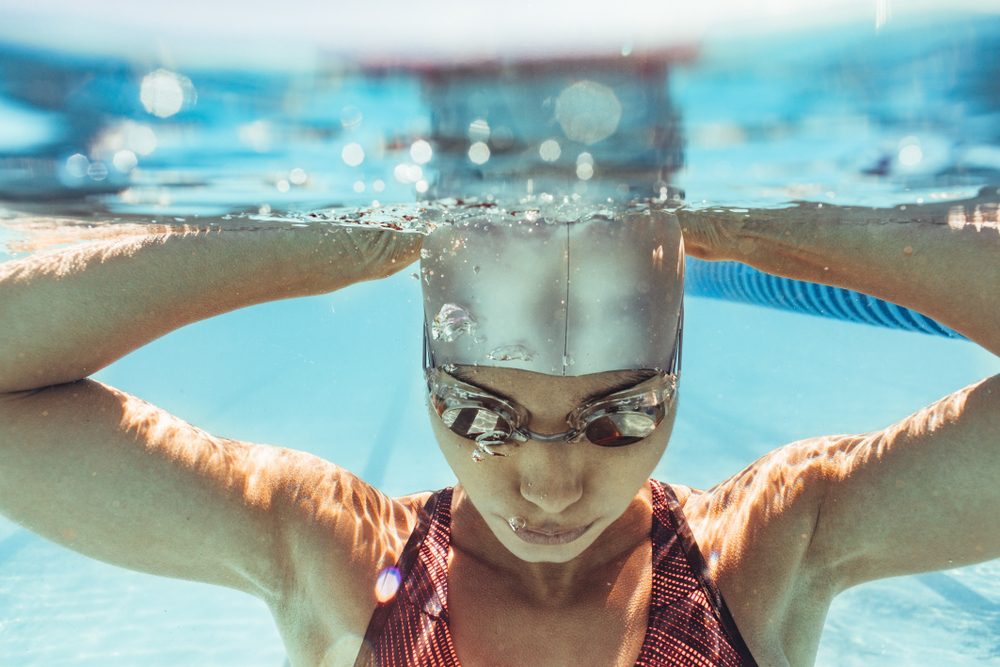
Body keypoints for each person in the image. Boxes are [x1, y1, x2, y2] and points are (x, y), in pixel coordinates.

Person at [0, 193, 996, 667]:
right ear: (427, 381)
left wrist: (748, 224)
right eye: (482, 416)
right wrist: (339, 236)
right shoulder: (339, 557)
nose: (549, 484)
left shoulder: (761, 552)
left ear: (678, 380)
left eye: (622, 414)